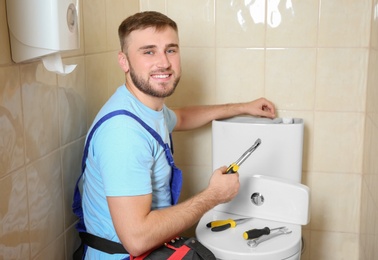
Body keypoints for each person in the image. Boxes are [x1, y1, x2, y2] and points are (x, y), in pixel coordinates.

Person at [80, 11, 275, 259]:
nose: (164, 62)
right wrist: (214, 196)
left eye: (170, 50)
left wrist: (242, 107)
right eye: (149, 51)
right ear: (124, 61)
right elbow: (136, 240)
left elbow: (181, 117)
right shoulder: (123, 135)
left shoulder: (146, 108)